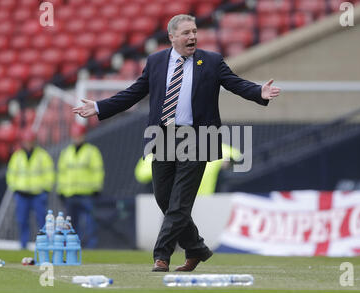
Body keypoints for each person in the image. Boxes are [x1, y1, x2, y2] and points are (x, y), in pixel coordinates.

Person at [73, 14, 281, 272]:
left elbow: (235, 83)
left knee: (180, 201)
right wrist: (99, 106)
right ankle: (197, 249)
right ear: (172, 37)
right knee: (164, 198)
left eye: (194, 31)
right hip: (163, 137)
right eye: (186, 33)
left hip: (198, 137)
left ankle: (161, 255)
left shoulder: (212, 61)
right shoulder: (156, 61)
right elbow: (133, 93)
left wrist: (258, 92)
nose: (192, 36)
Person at [56, 123, 104, 248]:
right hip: (70, 193)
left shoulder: (91, 151)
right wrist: (60, 190)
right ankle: (73, 246)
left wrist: (96, 188)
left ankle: (90, 247)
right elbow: (62, 173)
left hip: (87, 193)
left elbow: (98, 171)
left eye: (79, 136)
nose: (76, 138)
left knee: (90, 223)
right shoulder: (66, 152)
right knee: (72, 224)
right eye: (75, 136)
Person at [6, 131, 55, 249]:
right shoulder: (17, 156)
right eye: (26, 141)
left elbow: (49, 174)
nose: (28, 144)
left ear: (34, 142)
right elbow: (11, 174)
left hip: (38, 194)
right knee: (22, 221)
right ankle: (23, 245)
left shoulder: (42, 155)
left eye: (30, 141)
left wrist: (45, 190)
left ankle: (45, 244)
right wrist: (15, 188)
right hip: (22, 194)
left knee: (42, 221)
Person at [135, 143, 241, 196]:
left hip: (204, 200)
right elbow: (141, 175)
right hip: (173, 200)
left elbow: (236, 155)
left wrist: (228, 160)